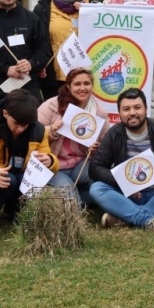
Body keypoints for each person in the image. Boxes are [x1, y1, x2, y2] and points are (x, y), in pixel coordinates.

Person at [89, 89, 154, 231]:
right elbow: (95, 167)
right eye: (126, 109)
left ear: (146, 109)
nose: (132, 113)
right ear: (119, 113)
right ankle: (146, 220)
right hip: (127, 194)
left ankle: (123, 216)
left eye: (137, 107)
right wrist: (124, 184)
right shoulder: (114, 134)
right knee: (96, 189)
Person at [0, 89, 57, 234]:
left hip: (19, 176)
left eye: (25, 125)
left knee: (22, 178)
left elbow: (48, 158)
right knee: (8, 179)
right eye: (16, 123)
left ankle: (13, 211)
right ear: (5, 113)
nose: (20, 129)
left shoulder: (38, 130)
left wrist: (50, 161)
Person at [36, 67, 111, 206]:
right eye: (77, 84)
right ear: (68, 87)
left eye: (86, 84)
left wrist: (97, 149)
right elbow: (32, 135)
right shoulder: (51, 106)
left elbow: (106, 143)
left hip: (81, 165)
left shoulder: (98, 111)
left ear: (92, 86)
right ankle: (68, 196)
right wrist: (51, 131)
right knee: (73, 204)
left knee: (105, 186)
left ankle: (70, 195)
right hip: (54, 165)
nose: (82, 88)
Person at [33, 0, 91, 98]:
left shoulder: (89, 5)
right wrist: (39, 63)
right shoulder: (43, 8)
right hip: (54, 74)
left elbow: (96, 32)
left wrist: (86, 12)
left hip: (81, 73)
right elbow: (37, 39)